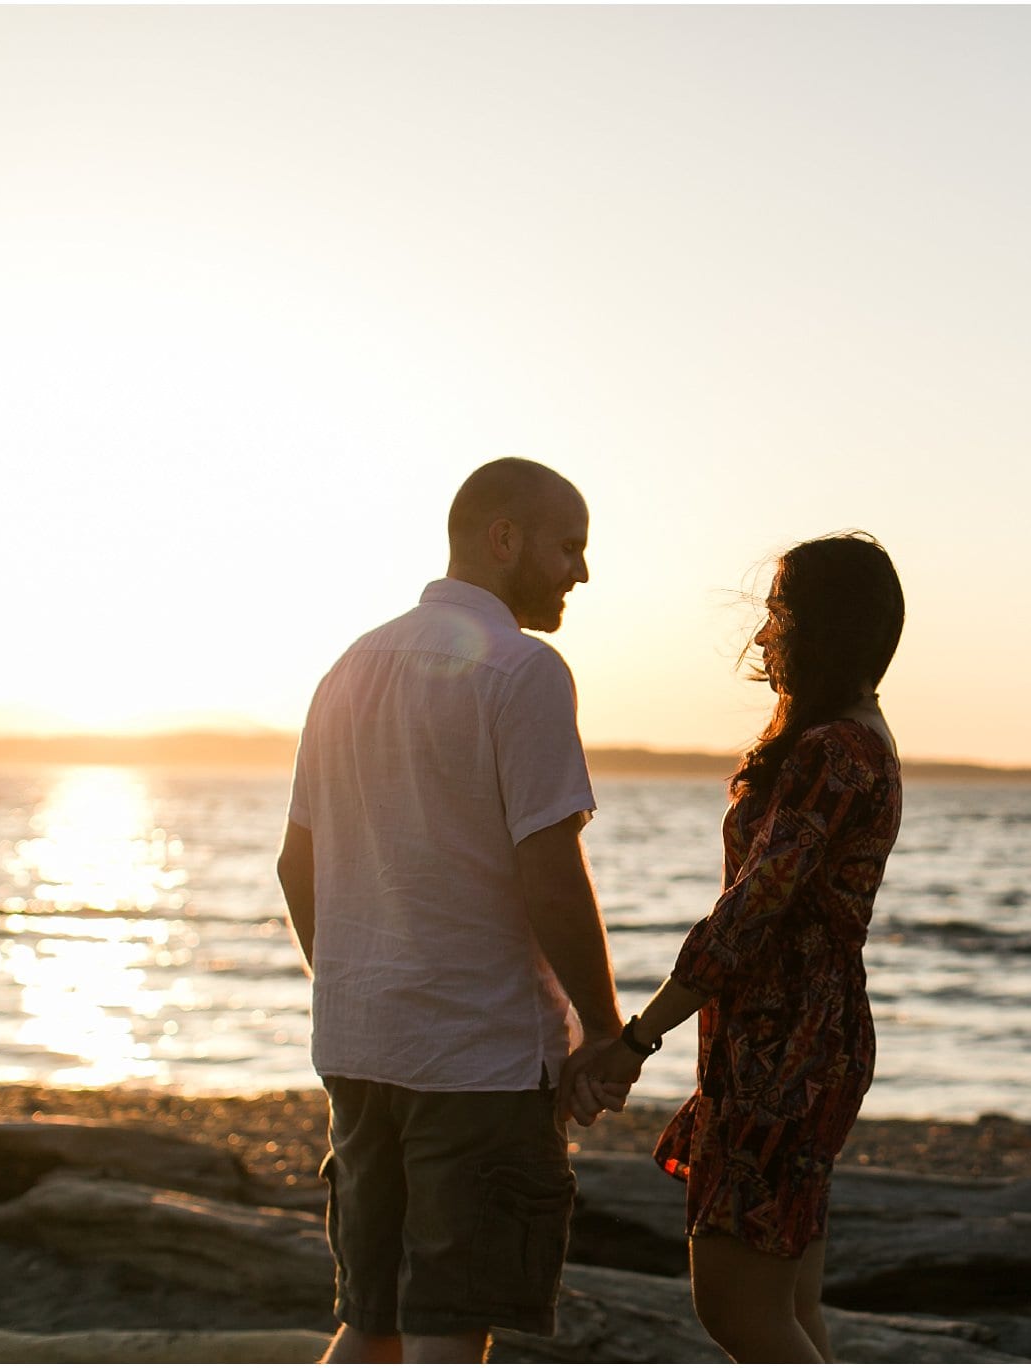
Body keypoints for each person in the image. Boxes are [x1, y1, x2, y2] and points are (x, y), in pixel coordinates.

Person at [276, 457, 625, 1364]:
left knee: (371, 1321)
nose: (580, 572)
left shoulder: (347, 667)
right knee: (443, 1331)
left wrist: (358, 986)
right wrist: (603, 1026)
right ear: (503, 538)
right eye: (569, 546)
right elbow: (548, 871)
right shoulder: (524, 669)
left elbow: (294, 864)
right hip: (478, 1060)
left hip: (360, 1052)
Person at [565, 532, 905, 1363]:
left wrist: (638, 1037)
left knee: (737, 1312)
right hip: (808, 1039)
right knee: (790, 1305)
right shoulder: (859, 739)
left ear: (825, 627)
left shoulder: (834, 754)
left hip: (785, 1051)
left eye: (779, 616)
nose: (764, 638)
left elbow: (749, 917)